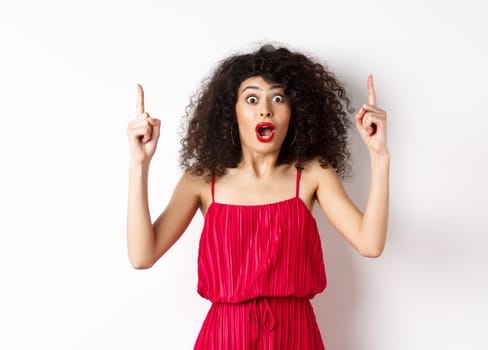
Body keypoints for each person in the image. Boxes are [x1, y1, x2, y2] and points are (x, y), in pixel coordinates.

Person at [126, 44, 390, 349]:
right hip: (225, 339)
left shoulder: (313, 174)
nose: (265, 109)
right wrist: (138, 164)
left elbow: (370, 244)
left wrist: (380, 156)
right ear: (232, 112)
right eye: (252, 99)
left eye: (278, 98)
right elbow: (142, 256)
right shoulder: (201, 180)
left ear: (295, 111)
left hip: (295, 338)